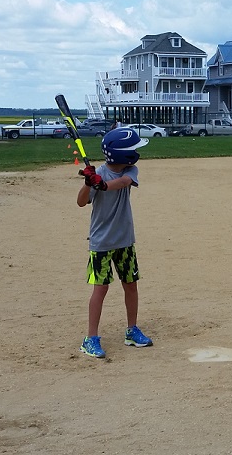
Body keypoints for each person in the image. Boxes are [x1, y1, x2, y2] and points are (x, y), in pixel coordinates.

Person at [76, 127, 153, 358]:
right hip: (101, 243)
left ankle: (131, 330)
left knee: (131, 284)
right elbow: (81, 202)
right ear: (123, 154)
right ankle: (90, 338)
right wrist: (89, 183)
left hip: (125, 240)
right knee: (100, 289)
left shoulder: (131, 171)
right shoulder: (96, 174)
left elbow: (122, 183)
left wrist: (102, 184)